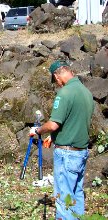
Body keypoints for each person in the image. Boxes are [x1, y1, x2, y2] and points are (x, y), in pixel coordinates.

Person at [29, 60, 94, 220]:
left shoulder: (64, 93)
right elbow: (76, 121)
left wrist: (38, 130)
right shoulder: (86, 92)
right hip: (81, 153)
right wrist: (54, 137)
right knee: (76, 194)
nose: (57, 84)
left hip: (67, 154)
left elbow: (53, 124)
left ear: (57, 76)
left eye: (56, 80)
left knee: (64, 198)